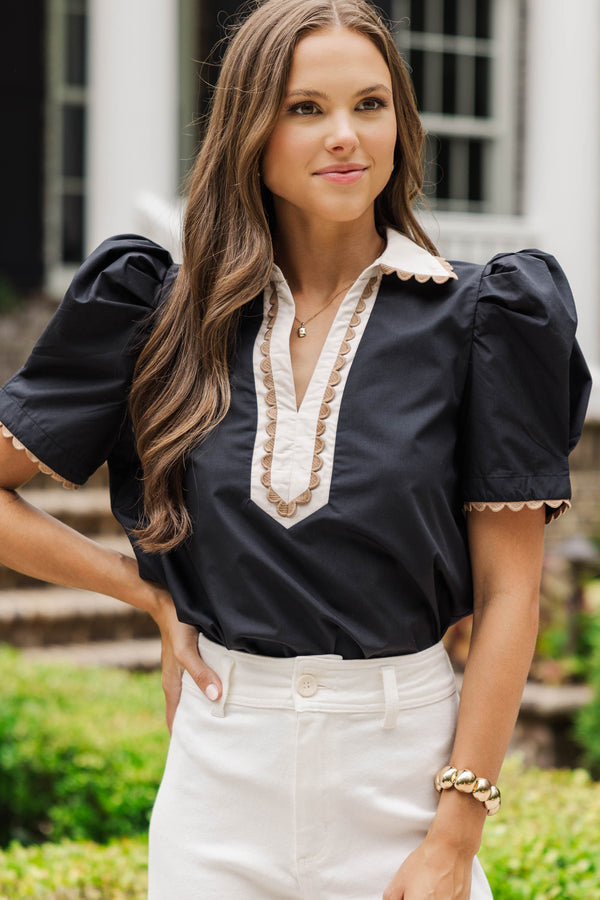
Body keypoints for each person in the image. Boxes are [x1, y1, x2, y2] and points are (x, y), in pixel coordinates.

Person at [0, 0, 591, 897]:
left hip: (403, 774)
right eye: (305, 108)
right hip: (219, 778)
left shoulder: (484, 321)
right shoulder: (158, 314)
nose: (346, 136)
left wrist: (455, 836)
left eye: (372, 104)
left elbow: (511, 592)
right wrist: (145, 593)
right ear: (250, 129)